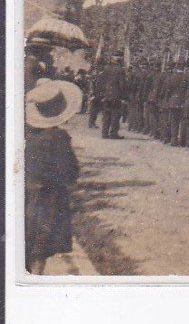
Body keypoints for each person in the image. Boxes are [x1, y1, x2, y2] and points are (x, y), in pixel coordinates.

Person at [24, 79, 82, 274]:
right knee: (39, 250)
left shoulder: (25, 135)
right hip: (47, 201)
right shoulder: (59, 138)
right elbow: (71, 171)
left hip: (24, 195)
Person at [96, 51, 127, 139]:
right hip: (116, 95)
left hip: (106, 95)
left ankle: (104, 133)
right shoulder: (120, 70)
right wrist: (124, 96)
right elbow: (122, 85)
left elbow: (101, 82)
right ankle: (113, 133)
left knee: (106, 114)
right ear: (119, 59)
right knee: (115, 114)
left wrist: (102, 94)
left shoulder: (106, 68)